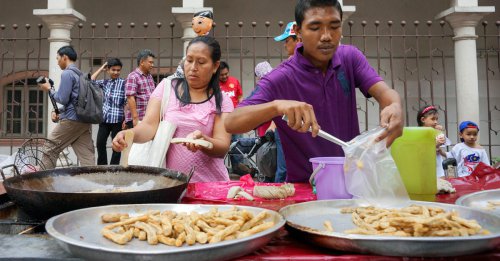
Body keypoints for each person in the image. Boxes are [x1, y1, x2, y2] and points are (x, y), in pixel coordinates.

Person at [224, 0, 404, 182]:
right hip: (305, 189)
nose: (326, 36)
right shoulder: (281, 78)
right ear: (298, 30)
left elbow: (385, 94)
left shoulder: (350, 58)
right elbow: (232, 122)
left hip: (352, 182)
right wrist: (276, 106)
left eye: (334, 26)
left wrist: (394, 106)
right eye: (315, 27)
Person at [112, 36, 233, 182]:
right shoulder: (166, 88)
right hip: (171, 184)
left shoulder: (222, 100)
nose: (193, 67)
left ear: (215, 66)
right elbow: (149, 126)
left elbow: (223, 147)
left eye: (201, 62)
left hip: (209, 185)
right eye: (189, 60)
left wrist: (204, 141)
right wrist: (128, 133)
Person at [38, 45, 95, 169]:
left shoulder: (67, 74)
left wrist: (49, 89)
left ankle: (43, 182)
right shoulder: (81, 74)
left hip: (71, 120)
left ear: (65, 57)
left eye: (58, 58)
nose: (57, 62)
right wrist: (60, 111)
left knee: (49, 148)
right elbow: (75, 101)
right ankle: (93, 184)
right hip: (84, 120)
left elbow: (62, 98)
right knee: (86, 156)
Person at [91, 58, 127, 165]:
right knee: (100, 143)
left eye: (118, 70)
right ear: (108, 70)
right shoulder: (105, 83)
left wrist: (125, 119)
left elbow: (127, 102)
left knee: (117, 145)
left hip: (118, 120)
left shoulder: (124, 83)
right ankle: (102, 167)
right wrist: (102, 68)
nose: (116, 72)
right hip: (105, 119)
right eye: (113, 70)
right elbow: (91, 80)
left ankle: (113, 168)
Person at [416, 105, 451, 178]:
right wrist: (435, 144)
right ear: (423, 120)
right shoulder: (418, 133)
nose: (436, 122)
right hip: (425, 165)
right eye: (433, 119)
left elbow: (446, 143)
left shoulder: (435, 131)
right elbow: (419, 150)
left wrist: (440, 133)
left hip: (437, 163)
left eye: (437, 119)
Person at [125, 49, 156, 129]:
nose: (152, 65)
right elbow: (130, 98)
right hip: (137, 119)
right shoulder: (133, 76)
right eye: (150, 62)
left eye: (153, 62)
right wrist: (135, 119)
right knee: (134, 141)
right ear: (142, 62)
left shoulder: (149, 76)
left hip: (147, 118)